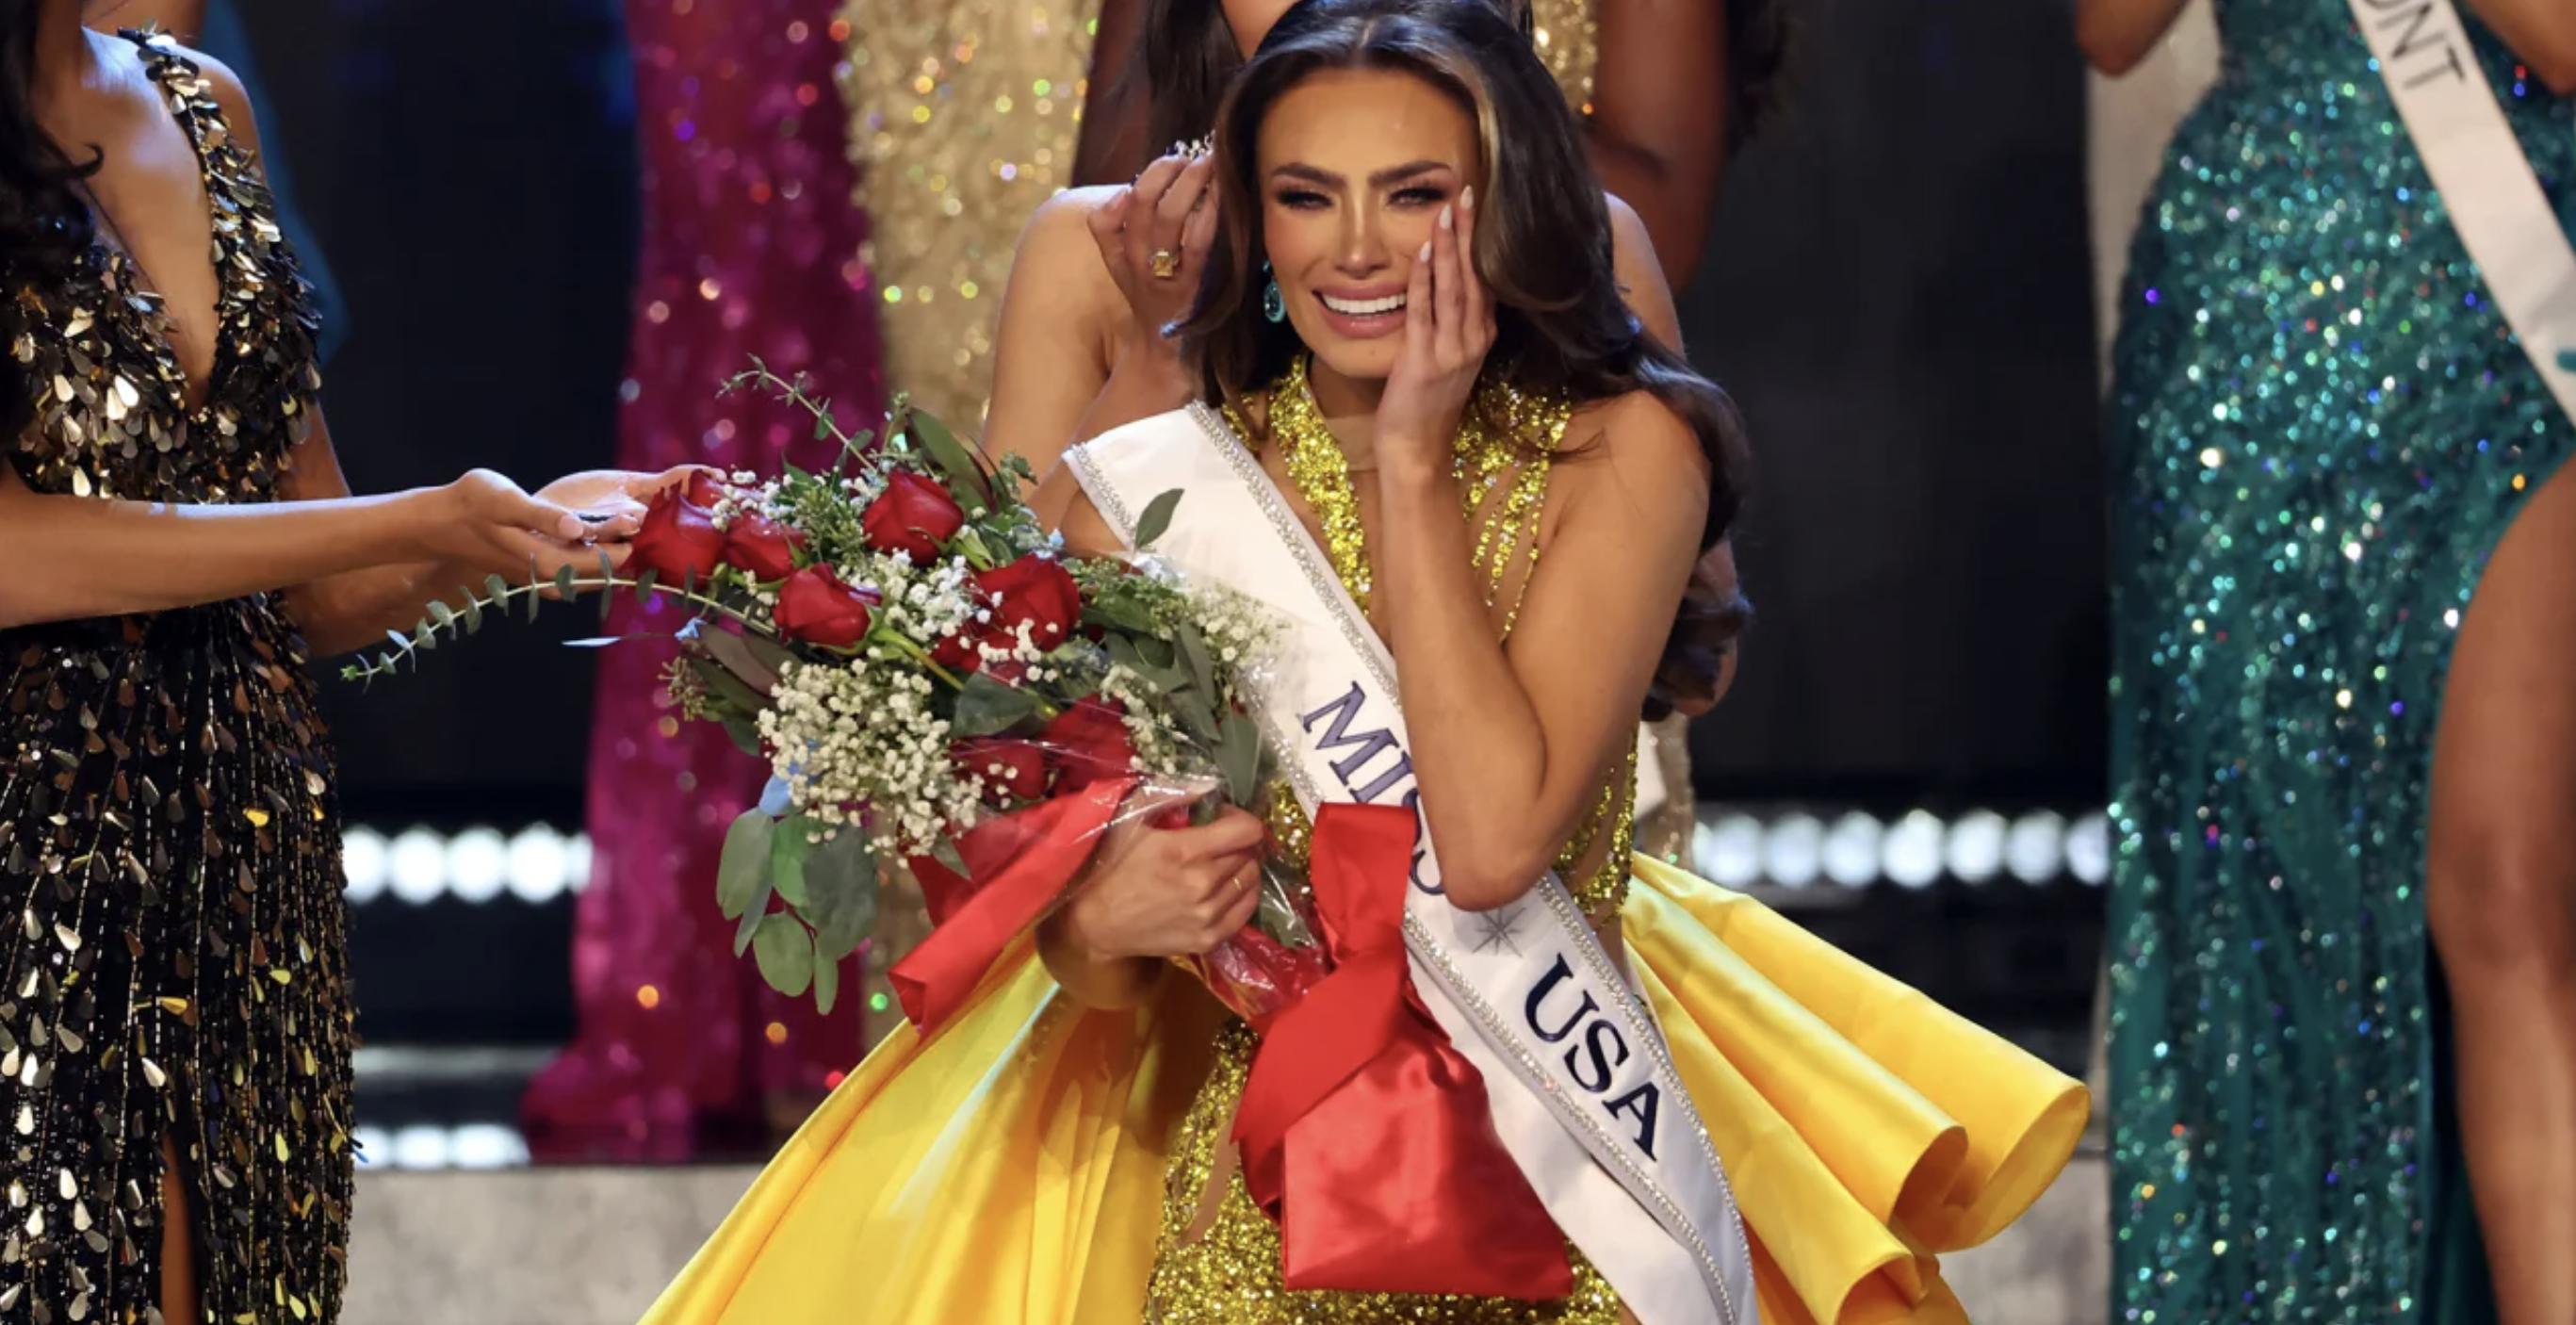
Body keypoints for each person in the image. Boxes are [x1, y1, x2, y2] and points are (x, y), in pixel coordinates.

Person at [641, 3, 2084, 1321]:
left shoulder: (1619, 444)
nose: (1354, 249)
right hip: (1236, 1184)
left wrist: (1406, 464)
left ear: (1504, 197)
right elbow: (1042, 854)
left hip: (1557, 1161)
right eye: (1304, 198)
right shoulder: (1181, 454)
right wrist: (1100, 923)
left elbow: (1495, 838)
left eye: (1414, 197)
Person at [0, 8, 659, 1321]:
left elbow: (314, 579)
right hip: (30, 870)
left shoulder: (202, 106)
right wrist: (423, 517)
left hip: (250, 872)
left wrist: (527, 527)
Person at [2083, 0, 2574, 1319]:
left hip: (2513, 324)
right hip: (2247, 312)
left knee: (2505, 906)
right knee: (2253, 913)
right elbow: (2110, 30)